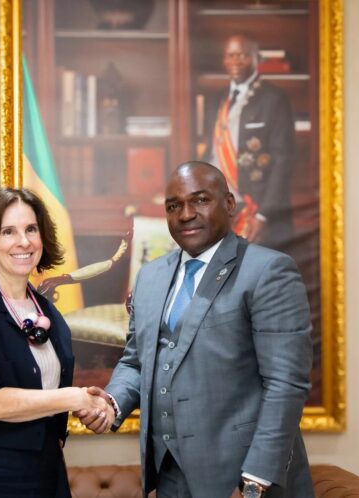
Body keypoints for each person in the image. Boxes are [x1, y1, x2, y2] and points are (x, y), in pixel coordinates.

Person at [77, 162, 314, 498]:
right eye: (174, 206)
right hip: (169, 476)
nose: (186, 214)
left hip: (243, 477)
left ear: (229, 204)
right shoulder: (151, 277)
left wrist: (255, 481)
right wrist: (111, 404)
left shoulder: (268, 271)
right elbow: (137, 360)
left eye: (200, 200)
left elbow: (286, 384)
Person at [0, 187, 111, 497]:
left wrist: (95, 408)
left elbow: (47, 394)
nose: (24, 242)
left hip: (46, 471)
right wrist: (76, 398)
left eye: (31, 229)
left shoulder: (48, 312)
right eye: (8, 232)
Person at [204, 34, 296, 252]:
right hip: (220, 208)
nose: (236, 61)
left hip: (256, 209)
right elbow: (210, 152)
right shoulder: (216, 100)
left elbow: (284, 161)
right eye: (230, 55)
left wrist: (263, 215)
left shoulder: (274, 99)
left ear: (256, 58)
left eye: (243, 55)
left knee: (258, 271)